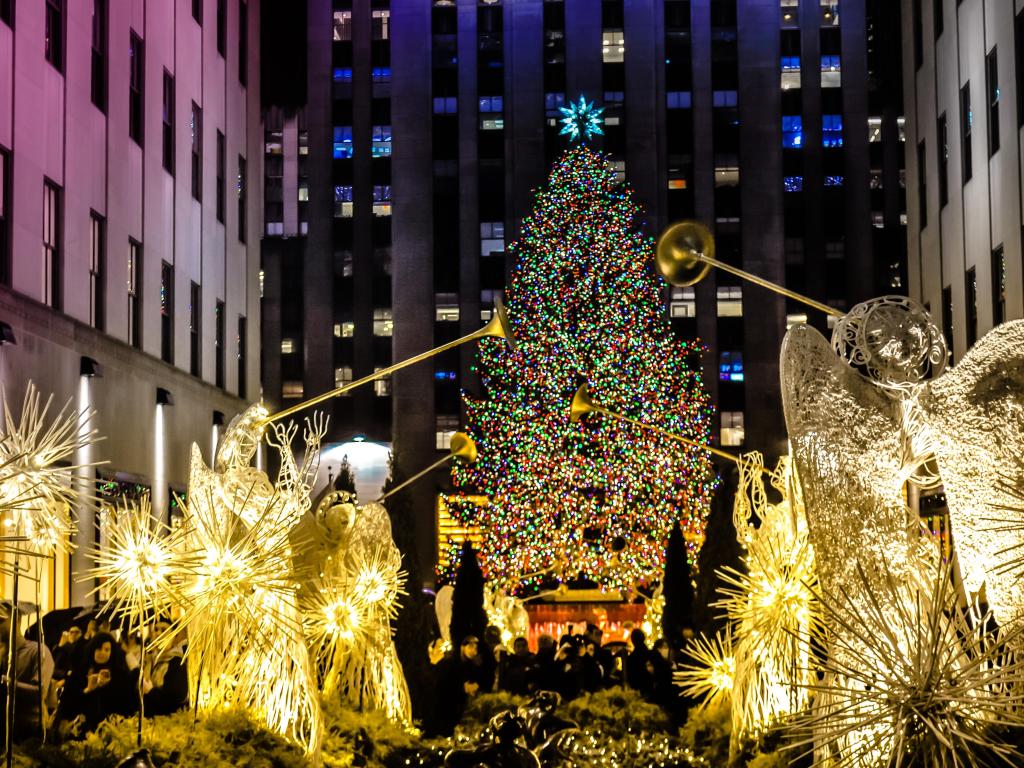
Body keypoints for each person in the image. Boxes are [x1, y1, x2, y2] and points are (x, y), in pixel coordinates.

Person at [54, 631, 135, 739]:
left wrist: (107, 688)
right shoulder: (80, 671)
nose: (102, 653)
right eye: (99, 648)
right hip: (79, 733)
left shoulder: (118, 674)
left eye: (107, 650)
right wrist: (88, 690)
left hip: (109, 733)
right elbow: (68, 703)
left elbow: (124, 704)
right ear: (92, 649)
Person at [0, 604, 54, 744]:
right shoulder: (3, 654)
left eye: (1, 620)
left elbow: (39, 692)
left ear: (16, 620)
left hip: (30, 734)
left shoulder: (38, 651)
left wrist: (6, 681)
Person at [426, 635, 485, 737]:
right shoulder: (450, 663)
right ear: (463, 647)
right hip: (446, 707)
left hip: (461, 707)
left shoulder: (472, 664)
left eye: (475, 647)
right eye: (470, 646)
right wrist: (462, 688)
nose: (473, 650)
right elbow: (444, 685)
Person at [143, 622, 188, 716]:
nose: (158, 633)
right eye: (156, 629)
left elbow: (174, 699)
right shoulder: (151, 659)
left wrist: (151, 691)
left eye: (163, 630)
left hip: (168, 722)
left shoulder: (176, 662)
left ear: (173, 636)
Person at [626, 628, 653, 696]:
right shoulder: (651, 654)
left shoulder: (631, 658)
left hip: (636, 692)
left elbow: (630, 677)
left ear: (632, 640)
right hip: (650, 690)